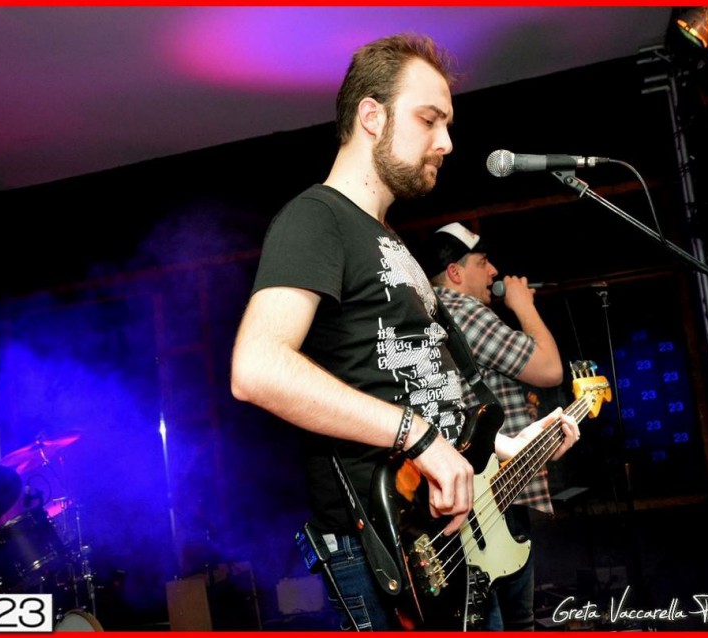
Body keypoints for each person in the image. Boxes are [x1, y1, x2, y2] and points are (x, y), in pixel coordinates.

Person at [230, 34, 578, 631]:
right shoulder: (316, 217)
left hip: (445, 537)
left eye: (446, 124)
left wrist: (502, 448)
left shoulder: (390, 240)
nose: (446, 141)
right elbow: (257, 368)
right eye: (428, 119)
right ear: (372, 116)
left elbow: (421, 386)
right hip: (385, 546)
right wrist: (418, 438)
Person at [419, 221, 573, 630]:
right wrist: (523, 306)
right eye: (483, 262)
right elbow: (550, 369)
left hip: (489, 492)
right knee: (513, 622)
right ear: (455, 272)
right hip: (487, 498)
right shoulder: (460, 309)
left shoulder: (438, 312)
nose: (494, 272)